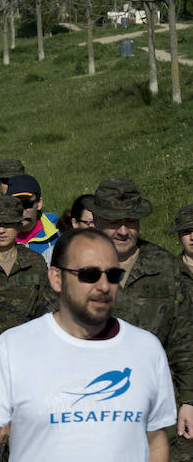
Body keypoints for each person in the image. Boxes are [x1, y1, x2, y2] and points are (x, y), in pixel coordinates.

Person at [0, 228, 176, 462]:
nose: (104, 286)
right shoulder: (14, 347)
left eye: (113, 275)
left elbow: (155, 438)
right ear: (56, 278)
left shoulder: (147, 349)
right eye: (89, 274)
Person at [86, 178, 193, 447]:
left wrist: (190, 400)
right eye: (114, 221)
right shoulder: (76, 264)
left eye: (131, 221)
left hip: (155, 407)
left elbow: (184, 339)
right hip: (90, 404)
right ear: (97, 220)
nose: (123, 231)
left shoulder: (164, 266)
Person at [0, 195, 52, 333]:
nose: (1, 230)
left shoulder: (34, 262)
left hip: (26, 342)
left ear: (18, 225)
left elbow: (47, 306)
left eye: (8, 224)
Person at [0, 174, 60, 265]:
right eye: (14, 205)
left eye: (26, 204)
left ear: (39, 203)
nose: (21, 211)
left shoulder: (58, 231)